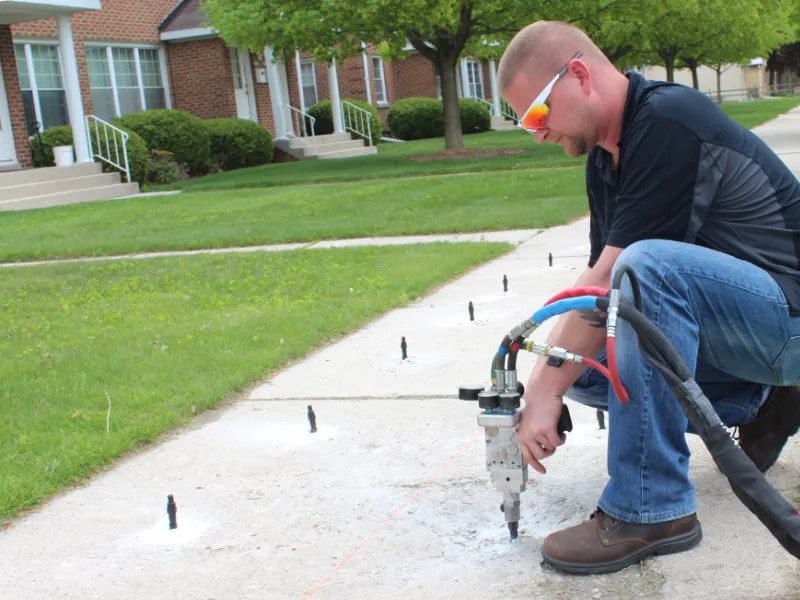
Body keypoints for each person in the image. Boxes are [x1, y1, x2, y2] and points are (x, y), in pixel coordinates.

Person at [496, 21, 800, 574]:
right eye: (524, 123)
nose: (535, 133)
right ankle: (764, 400)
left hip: (789, 316)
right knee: (588, 366)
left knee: (644, 268)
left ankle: (652, 506)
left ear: (580, 75)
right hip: (746, 333)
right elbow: (593, 299)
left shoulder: (668, 121)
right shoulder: (604, 159)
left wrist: (543, 387)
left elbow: (615, 279)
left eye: (538, 114)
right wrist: (548, 381)